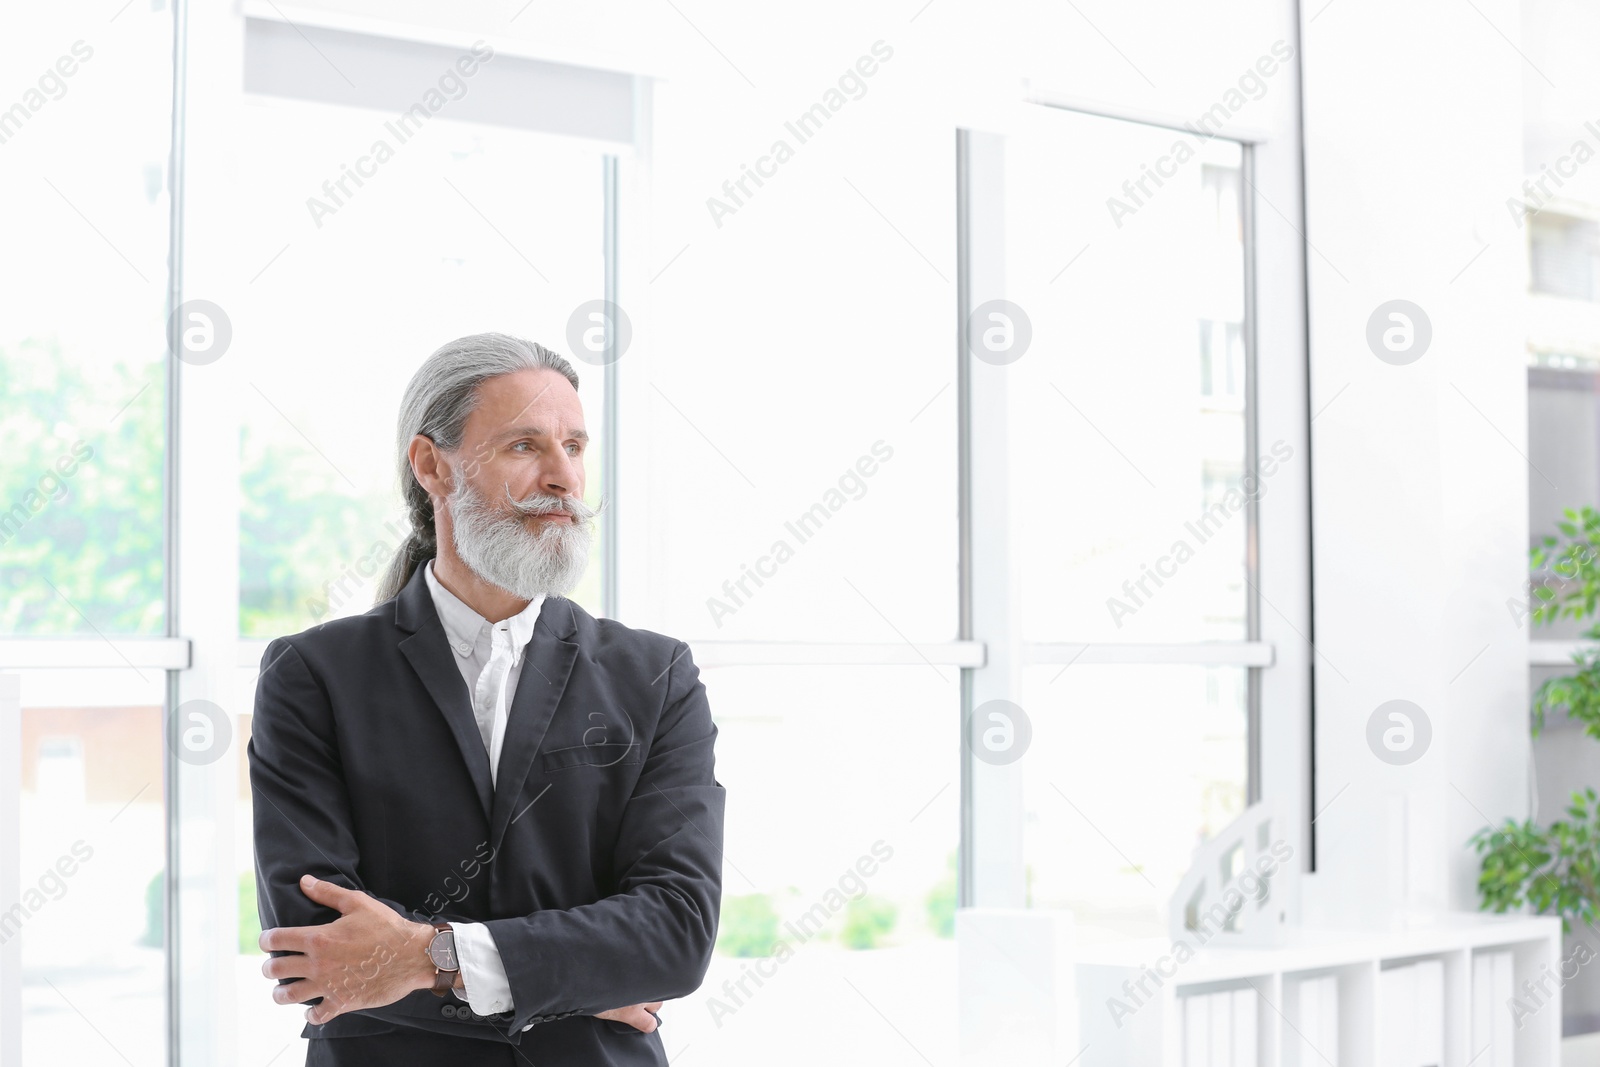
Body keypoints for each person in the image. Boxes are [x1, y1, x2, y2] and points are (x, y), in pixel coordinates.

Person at [248, 332, 725, 1065]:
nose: (564, 476)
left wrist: (429, 954)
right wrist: (582, 979)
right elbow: (318, 953)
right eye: (525, 446)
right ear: (432, 465)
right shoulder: (313, 676)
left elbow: (675, 932)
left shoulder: (656, 676)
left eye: (574, 445)